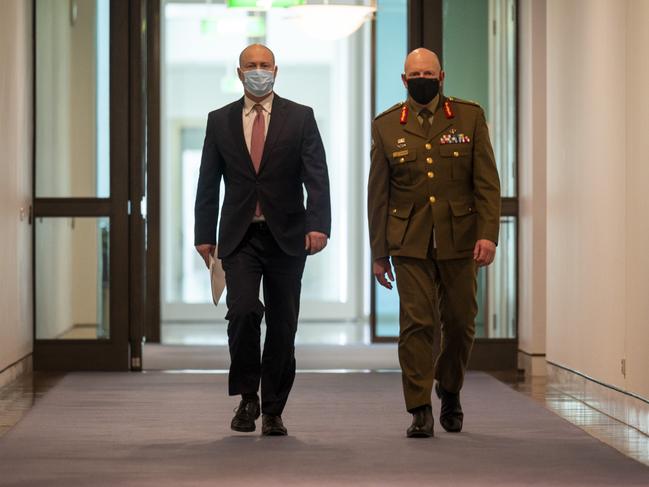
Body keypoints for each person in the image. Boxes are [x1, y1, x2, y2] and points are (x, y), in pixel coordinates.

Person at [194, 44, 331, 436]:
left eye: (264, 65)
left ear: (276, 70)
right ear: (239, 73)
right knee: (242, 310)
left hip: (287, 235)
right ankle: (247, 396)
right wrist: (204, 235)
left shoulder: (300, 118)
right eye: (250, 66)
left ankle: (272, 409)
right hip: (239, 236)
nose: (258, 71)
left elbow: (316, 175)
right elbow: (208, 182)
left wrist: (318, 224)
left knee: (284, 324)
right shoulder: (219, 121)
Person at [367, 48, 501, 438]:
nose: (422, 79)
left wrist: (488, 234)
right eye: (415, 74)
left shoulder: (469, 117)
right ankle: (420, 407)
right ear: (404, 80)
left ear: (441, 77)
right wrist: (379, 253)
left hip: (460, 239)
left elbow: (486, 183)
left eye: (429, 73)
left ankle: (451, 386)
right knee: (416, 324)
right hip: (408, 241)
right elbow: (378, 194)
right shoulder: (387, 125)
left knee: (460, 322)